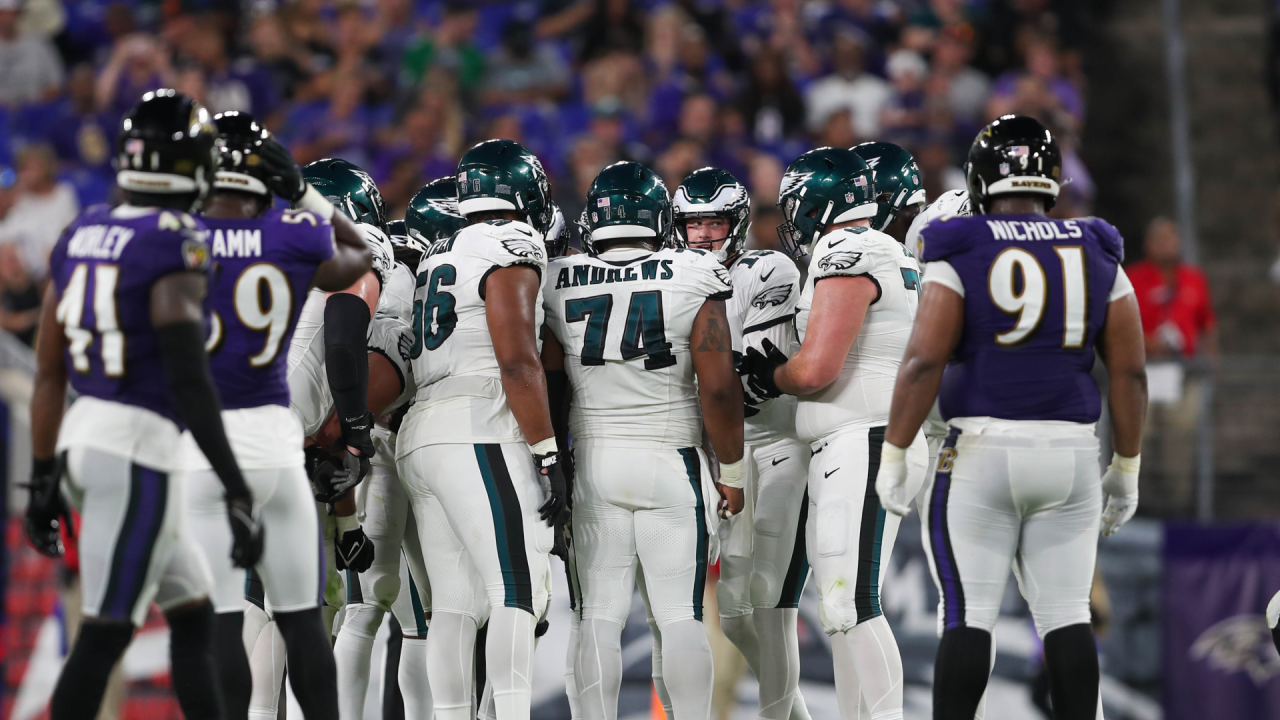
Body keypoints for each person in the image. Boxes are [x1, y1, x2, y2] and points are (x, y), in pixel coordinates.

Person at [874, 115, 1147, 720]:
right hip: (1072, 453)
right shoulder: (1095, 246)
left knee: (969, 618)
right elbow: (1129, 371)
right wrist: (1126, 465)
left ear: (979, 178)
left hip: (981, 452)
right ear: (1052, 178)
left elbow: (923, 361)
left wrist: (895, 450)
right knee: (1068, 615)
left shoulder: (962, 242)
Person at [24, 89, 263, 720]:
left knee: (192, 612)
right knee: (106, 632)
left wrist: (44, 474)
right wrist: (237, 486)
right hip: (134, 449)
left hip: (84, 437)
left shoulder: (82, 231)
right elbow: (188, 378)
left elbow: (50, 373)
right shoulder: (176, 241)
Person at [183, 110, 373, 720]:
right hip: (273, 436)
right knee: (301, 619)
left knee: (222, 617)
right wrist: (302, 190)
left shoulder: (175, 235)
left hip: (202, 441)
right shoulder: (290, 237)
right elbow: (358, 253)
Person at [542, 160, 743, 720]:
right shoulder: (692, 273)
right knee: (680, 614)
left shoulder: (557, 278)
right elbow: (721, 390)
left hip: (593, 463)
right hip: (671, 458)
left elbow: (548, 380)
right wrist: (733, 471)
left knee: (596, 617)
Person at [740, 146, 928, 720]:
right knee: (839, 607)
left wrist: (767, 374)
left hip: (862, 438)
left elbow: (816, 370)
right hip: (863, 439)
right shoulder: (885, 251)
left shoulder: (846, 250)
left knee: (851, 602)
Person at [397, 139, 568, 720]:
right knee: (519, 590)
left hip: (421, 431)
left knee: (453, 605)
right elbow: (517, 359)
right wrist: (548, 452)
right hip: (478, 425)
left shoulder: (440, 248)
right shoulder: (511, 241)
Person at [672, 166, 812, 720]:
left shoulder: (766, 267)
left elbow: (753, 377)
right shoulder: (675, 275)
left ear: (738, 223)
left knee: (771, 608)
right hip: (725, 455)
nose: (703, 234)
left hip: (775, 445)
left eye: (713, 222)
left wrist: (678, 379)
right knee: (732, 614)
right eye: (692, 223)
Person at [332, 178, 467, 720]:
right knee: (412, 607)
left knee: (400, 610)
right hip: (400, 440)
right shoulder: (402, 271)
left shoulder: (389, 260)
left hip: (386, 439)